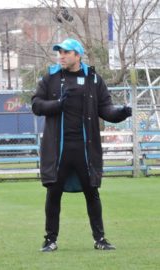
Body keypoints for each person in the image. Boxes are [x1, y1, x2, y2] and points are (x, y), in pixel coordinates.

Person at [31, 38, 132, 252]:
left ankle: (100, 239)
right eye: (59, 52)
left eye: (66, 52)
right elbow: (36, 105)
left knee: (92, 193)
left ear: (78, 55)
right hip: (58, 150)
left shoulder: (93, 79)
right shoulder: (50, 77)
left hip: (86, 150)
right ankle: (50, 240)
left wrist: (121, 113)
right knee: (53, 193)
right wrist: (58, 104)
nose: (61, 56)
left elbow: (106, 109)